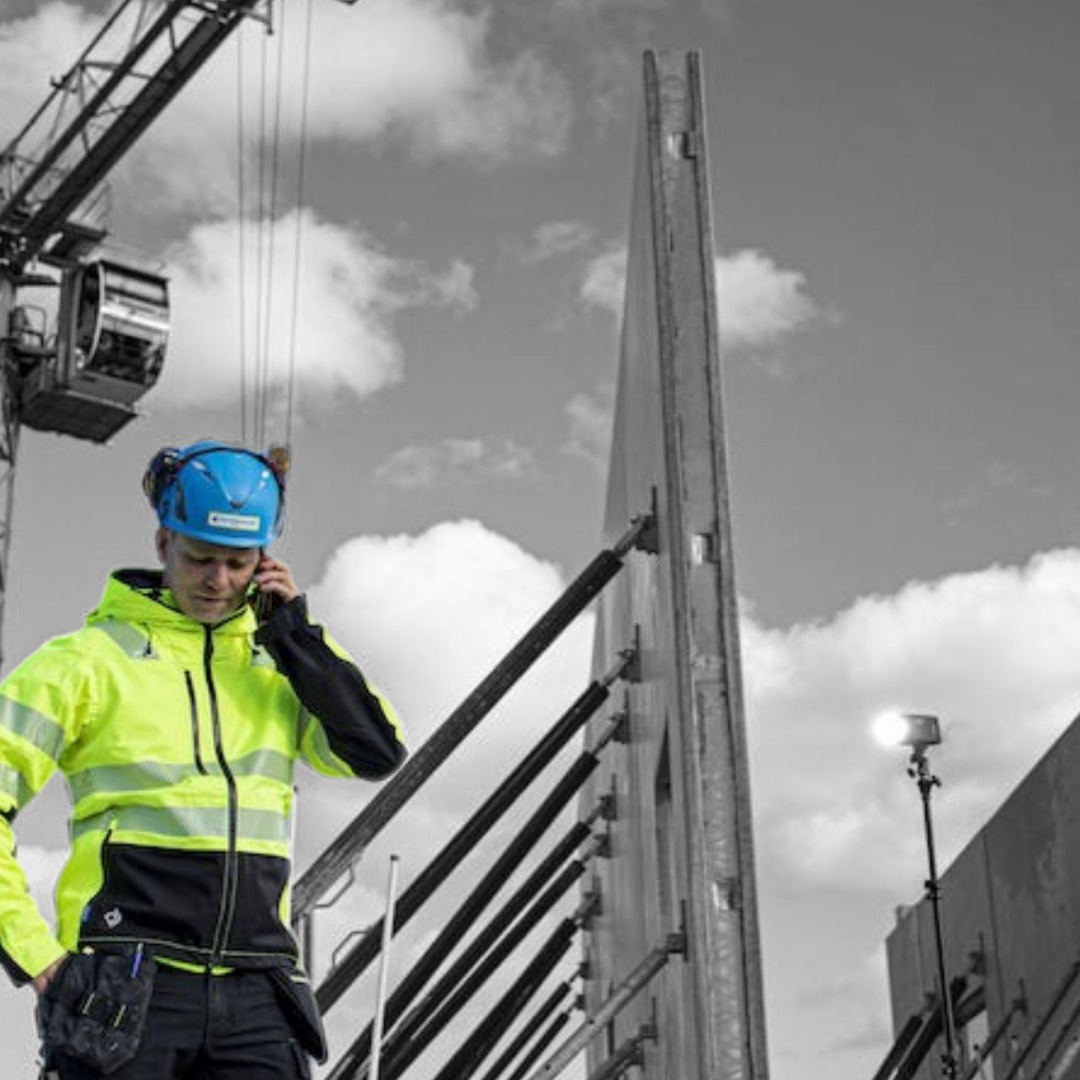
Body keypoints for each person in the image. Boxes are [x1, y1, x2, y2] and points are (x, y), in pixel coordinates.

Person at [0, 439, 407, 1079]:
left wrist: (295, 637)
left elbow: (374, 752)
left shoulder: (277, 667)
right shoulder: (83, 663)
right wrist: (36, 957)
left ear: (264, 560)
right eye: (199, 559)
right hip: (123, 987)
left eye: (238, 563)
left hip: (258, 991)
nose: (217, 581)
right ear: (164, 543)